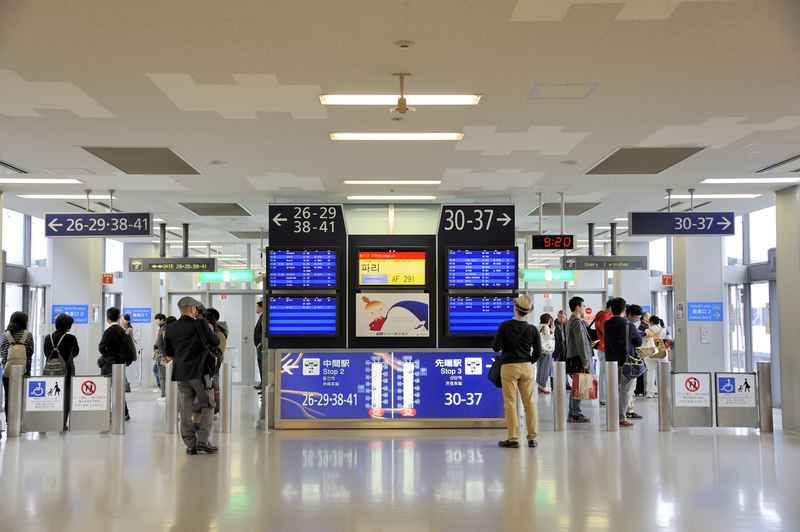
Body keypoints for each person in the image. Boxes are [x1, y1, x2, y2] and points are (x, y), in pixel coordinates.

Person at [164, 296, 220, 455]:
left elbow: (169, 353)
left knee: (185, 409)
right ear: (192, 309)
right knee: (208, 405)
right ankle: (203, 441)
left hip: (181, 373)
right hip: (200, 372)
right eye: (196, 308)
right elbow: (215, 341)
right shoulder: (200, 324)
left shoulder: (171, 327)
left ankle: (190, 444)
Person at [492, 294, 542, 448]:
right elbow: (538, 352)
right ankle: (532, 438)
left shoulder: (505, 326)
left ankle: (513, 438)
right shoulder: (532, 329)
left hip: (509, 367)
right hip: (526, 367)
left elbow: (496, 347)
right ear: (528, 312)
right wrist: (528, 361)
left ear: (515, 308)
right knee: (529, 403)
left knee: (511, 403)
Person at [604, 297, 643, 427]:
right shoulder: (628, 324)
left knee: (614, 390)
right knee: (626, 391)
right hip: (626, 362)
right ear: (624, 309)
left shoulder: (607, 323)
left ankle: (612, 415)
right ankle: (621, 418)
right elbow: (639, 341)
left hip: (611, 362)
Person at [0, 311, 34, 436]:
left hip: (8, 372)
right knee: (23, 397)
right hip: (24, 372)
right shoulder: (28, 335)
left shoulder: (5, 335)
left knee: (9, 397)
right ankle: (21, 422)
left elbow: (2, 354)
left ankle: (10, 423)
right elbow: (30, 353)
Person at [44, 313, 80, 431]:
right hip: (67, 372)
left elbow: (46, 353)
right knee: (66, 398)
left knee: (51, 397)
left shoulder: (47, 337)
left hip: (50, 372)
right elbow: (76, 352)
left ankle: (50, 421)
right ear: (68, 326)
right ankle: (63, 422)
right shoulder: (70, 338)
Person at [98, 307, 131, 421]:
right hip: (120, 365)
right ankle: (124, 412)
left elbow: (101, 348)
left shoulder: (108, 331)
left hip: (109, 365)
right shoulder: (123, 331)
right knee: (119, 389)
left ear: (108, 318)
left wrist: (108, 354)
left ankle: (108, 413)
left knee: (107, 389)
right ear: (119, 317)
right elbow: (127, 349)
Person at [565, 296, 593, 423]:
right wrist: (586, 361)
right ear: (577, 307)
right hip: (578, 358)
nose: (584, 308)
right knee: (578, 386)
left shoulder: (573, 320)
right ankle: (575, 413)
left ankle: (574, 412)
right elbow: (580, 342)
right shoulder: (576, 321)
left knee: (577, 386)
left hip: (575, 357)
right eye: (583, 306)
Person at [204, 307, 228, 415]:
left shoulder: (218, 333)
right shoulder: (212, 331)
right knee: (211, 386)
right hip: (207, 364)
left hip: (212, 365)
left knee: (214, 386)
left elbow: (219, 352)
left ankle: (215, 408)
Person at [624, 305, 645, 419]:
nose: (637, 320)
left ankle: (626, 410)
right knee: (629, 387)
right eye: (636, 317)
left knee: (623, 388)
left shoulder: (619, 324)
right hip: (630, 360)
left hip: (618, 360)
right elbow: (638, 341)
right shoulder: (629, 325)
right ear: (630, 314)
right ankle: (628, 411)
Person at [593, 300, 613, 406]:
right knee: (605, 374)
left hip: (602, 347)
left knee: (604, 373)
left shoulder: (600, 314)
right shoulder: (605, 316)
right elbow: (607, 332)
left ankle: (604, 397)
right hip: (605, 347)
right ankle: (604, 398)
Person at [642, 315, 667, 398]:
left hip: (650, 351)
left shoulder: (647, 330)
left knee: (650, 372)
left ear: (651, 322)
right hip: (660, 350)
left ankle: (650, 392)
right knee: (661, 372)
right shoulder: (663, 330)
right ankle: (661, 390)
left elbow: (644, 340)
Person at [536, 313, 555, 394]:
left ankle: (540, 385)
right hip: (547, 350)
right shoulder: (546, 327)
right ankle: (542, 386)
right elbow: (548, 338)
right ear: (548, 320)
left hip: (540, 350)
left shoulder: (539, 326)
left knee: (540, 368)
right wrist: (552, 331)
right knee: (545, 369)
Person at [152, 313, 167, 394]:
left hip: (162, 354)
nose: (156, 322)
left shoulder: (164, 328)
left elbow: (164, 342)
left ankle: (163, 392)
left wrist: (163, 354)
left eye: (157, 320)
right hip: (160, 353)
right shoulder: (161, 328)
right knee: (156, 370)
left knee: (161, 374)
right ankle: (162, 388)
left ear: (162, 319)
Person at [254, 300, 264, 390]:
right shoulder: (261, 317)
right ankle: (262, 384)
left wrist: (260, 344)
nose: (256, 309)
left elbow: (263, 333)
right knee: (261, 366)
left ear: (261, 307)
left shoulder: (264, 318)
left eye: (257, 307)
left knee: (263, 366)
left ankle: (263, 385)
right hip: (259, 347)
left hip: (261, 347)